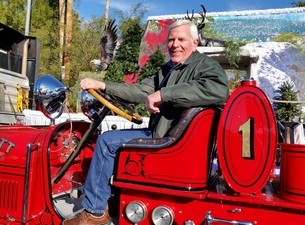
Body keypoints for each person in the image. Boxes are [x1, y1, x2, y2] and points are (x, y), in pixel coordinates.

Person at [63, 19, 229, 225]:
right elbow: (140, 90)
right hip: (166, 134)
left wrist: (164, 94)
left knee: (106, 142)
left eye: (181, 39)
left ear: (195, 43)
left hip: (170, 140)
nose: (175, 44)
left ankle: (94, 211)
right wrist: (102, 85)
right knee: (114, 139)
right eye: (171, 40)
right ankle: (114, 199)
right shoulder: (170, 69)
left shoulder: (205, 66)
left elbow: (219, 89)